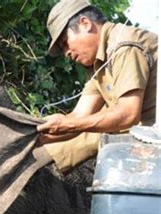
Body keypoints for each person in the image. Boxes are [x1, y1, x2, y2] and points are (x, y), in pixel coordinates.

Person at [38, 0, 158, 172]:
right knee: (90, 126)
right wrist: (39, 133)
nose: (67, 53)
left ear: (85, 24)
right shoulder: (101, 60)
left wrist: (70, 125)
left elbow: (127, 114)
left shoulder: (124, 46)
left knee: (95, 130)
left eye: (65, 43)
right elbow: (79, 115)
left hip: (153, 136)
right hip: (144, 133)